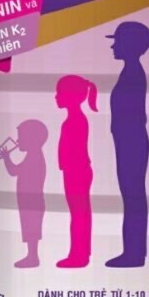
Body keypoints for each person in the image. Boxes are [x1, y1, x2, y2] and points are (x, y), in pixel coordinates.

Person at [105, 21, 149, 268]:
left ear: (130, 44)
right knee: (132, 197)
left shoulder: (133, 73)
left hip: (131, 142)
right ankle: (134, 252)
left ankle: (134, 254)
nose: (113, 46)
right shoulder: (131, 71)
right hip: (129, 141)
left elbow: (131, 114)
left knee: (133, 197)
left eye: (117, 41)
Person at [55, 75, 98, 268]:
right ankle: (81, 253)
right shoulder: (74, 119)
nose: (56, 97)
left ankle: (79, 255)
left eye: (59, 93)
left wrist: (68, 168)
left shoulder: (76, 121)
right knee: (79, 214)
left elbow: (75, 151)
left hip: (76, 172)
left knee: (79, 215)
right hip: (75, 171)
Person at [0, 119, 48, 269]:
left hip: (32, 202)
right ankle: (32, 256)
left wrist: (6, 158)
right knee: (30, 229)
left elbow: (13, 171)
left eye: (22, 137)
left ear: (32, 139)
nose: (18, 141)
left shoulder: (34, 157)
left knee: (31, 229)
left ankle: (33, 257)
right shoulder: (34, 156)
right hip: (30, 201)